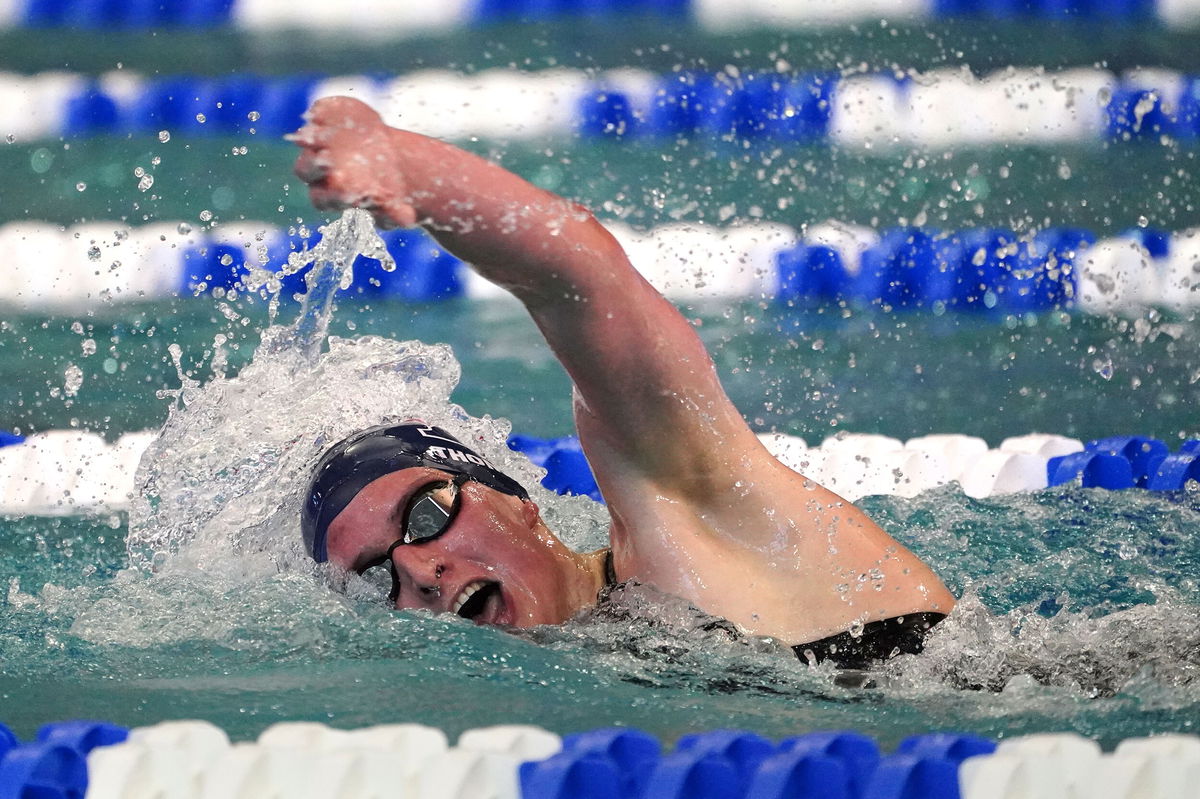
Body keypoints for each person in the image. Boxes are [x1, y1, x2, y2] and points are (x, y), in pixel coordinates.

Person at [291, 96, 956, 669]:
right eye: (376, 578)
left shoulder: (688, 515)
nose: (417, 570)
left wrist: (406, 165)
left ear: (515, 500)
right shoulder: (573, 673)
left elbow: (580, 279)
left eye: (426, 512)